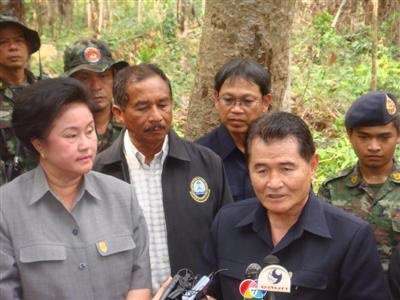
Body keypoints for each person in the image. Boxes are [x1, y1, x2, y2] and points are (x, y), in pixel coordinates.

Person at [201, 112, 388, 299]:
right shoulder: (227, 222)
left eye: (286, 169)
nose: (274, 183)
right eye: (262, 170)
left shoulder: (351, 237)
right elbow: (210, 291)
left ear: (312, 165)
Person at [0, 78, 151, 300]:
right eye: (71, 135)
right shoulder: (6, 208)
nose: (86, 144)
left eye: (89, 130)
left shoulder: (122, 196)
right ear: (39, 144)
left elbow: (139, 281)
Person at [93, 64, 233, 292]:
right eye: (142, 107)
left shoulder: (206, 164)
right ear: (119, 114)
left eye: (163, 104)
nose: (156, 116)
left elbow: (228, 238)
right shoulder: (99, 173)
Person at [318, 91, 400, 270]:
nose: (374, 147)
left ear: (398, 135)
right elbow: (323, 249)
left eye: (384, 137)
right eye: (364, 137)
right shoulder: (332, 189)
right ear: (350, 135)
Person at [196, 58, 272, 201]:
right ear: (216, 99)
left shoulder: (280, 150)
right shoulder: (200, 155)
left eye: (247, 101)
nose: (236, 109)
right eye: (228, 100)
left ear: (265, 102)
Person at [63, 39, 128, 153]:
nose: (96, 86)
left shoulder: (131, 123)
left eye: (103, 76)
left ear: (114, 78)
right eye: (85, 78)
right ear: (71, 83)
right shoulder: (58, 128)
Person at [0, 14, 41, 184]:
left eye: (18, 41)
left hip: (51, 184)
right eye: (3, 42)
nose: (12, 47)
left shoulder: (47, 89)